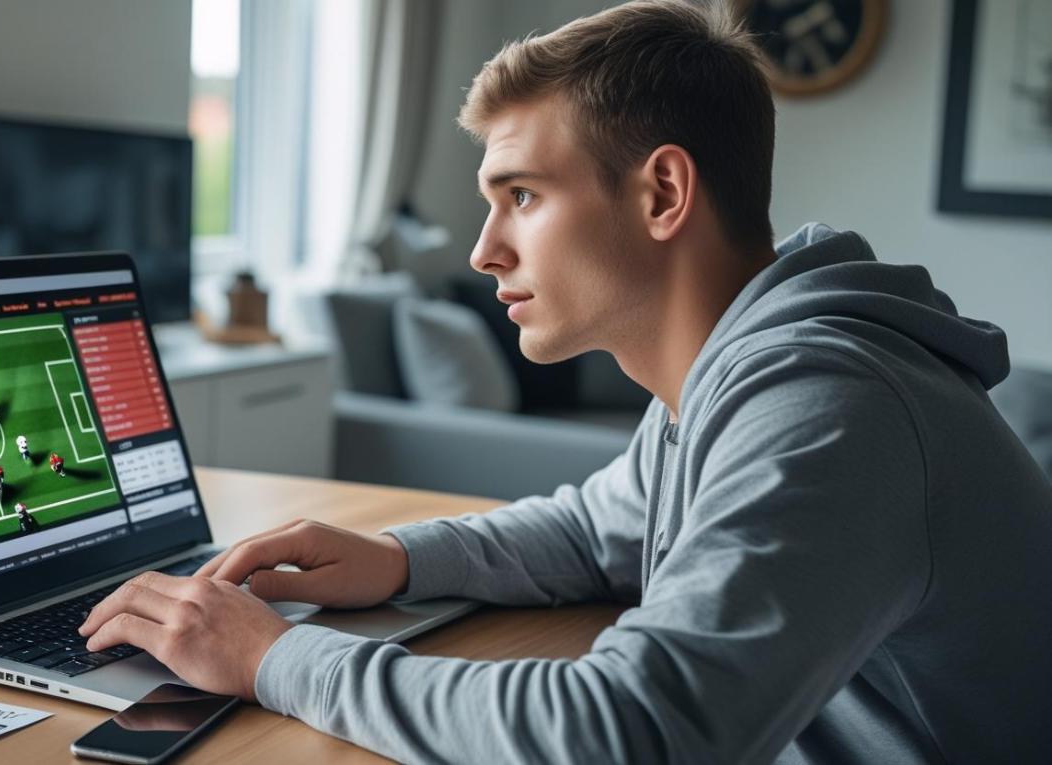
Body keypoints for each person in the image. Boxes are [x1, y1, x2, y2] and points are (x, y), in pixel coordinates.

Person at [75, 2, 1052, 762]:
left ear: (663, 193)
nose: (484, 249)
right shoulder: (729, 372)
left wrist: (271, 656)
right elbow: (595, 529)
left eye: (523, 197)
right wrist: (396, 561)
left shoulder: (828, 403)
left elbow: (631, 732)